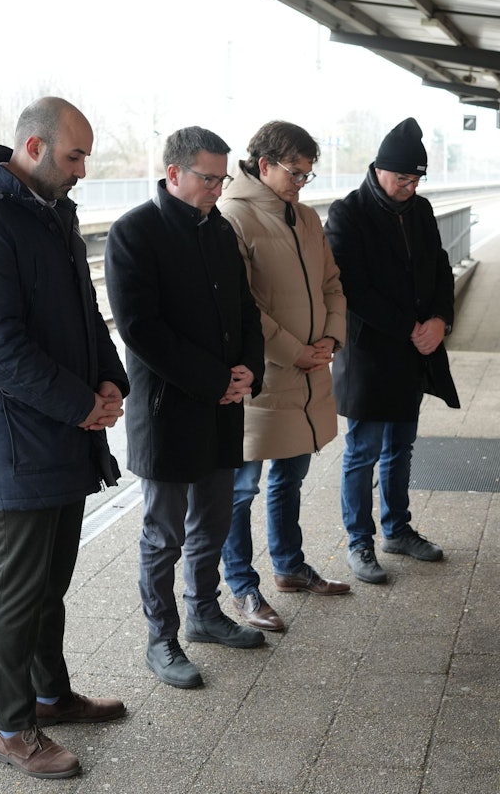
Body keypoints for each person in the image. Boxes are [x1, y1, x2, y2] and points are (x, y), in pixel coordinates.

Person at [0, 96, 129, 780]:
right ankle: (12, 728)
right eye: (75, 156)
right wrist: (81, 405)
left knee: (51, 582)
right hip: (14, 437)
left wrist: (111, 383)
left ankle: (51, 696)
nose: (82, 171)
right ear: (36, 148)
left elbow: (85, 314)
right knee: (19, 588)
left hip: (63, 428)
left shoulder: (50, 214)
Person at [104, 126, 267, 690]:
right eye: (208, 178)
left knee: (214, 521)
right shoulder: (133, 233)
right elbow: (140, 329)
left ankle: (203, 614)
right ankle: (161, 638)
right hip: (169, 409)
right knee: (163, 533)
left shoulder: (217, 229)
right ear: (174, 173)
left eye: (224, 179)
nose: (218, 189)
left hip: (221, 406)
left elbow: (247, 309)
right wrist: (215, 380)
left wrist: (249, 370)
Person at [217, 121, 350, 632]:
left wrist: (330, 341)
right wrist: (297, 352)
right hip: (266, 378)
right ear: (264, 163)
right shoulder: (234, 217)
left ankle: (289, 567)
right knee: (242, 486)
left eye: (307, 175)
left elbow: (333, 283)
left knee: (291, 477)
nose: (301, 182)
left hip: (311, 374)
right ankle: (242, 587)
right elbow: (242, 306)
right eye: (295, 172)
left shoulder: (307, 216)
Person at [324, 117, 461, 585]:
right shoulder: (347, 214)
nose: (410, 186)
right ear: (380, 169)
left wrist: (441, 321)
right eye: (403, 178)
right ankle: (358, 541)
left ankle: (397, 529)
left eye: (417, 179)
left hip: (413, 352)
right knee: (362, 450)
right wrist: (412, 327)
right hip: (369, 355)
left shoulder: (420, 211)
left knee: (400, 446)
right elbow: (353, 289)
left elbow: (441, 268)